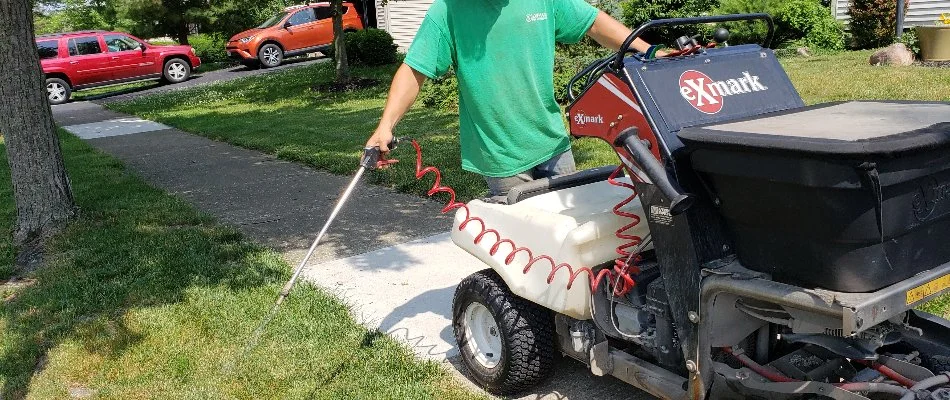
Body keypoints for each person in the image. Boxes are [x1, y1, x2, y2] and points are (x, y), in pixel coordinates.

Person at [364, 0, 660, 198]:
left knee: (572, 235)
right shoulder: (448, 10)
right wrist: (385, 124)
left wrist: (649, 53)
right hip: (503, 155)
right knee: (528, 253)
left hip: (553, 143)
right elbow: (415, 69)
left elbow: (593, 22)